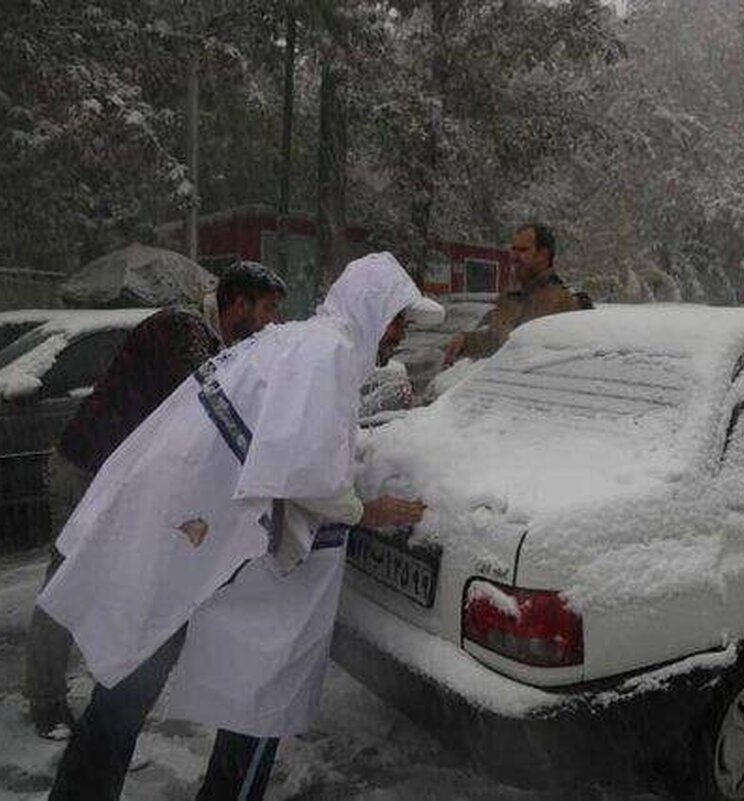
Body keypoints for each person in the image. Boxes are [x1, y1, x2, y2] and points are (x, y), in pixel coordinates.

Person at [36, 252, 441, 800]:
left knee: (135, 669)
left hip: (188, 523)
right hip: (193, 526)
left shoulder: (301, 343)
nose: (400, 334)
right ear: (372, 308)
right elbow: (305, 471)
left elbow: (288, 449)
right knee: (246, 691)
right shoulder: (328, 352)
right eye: (397, 319)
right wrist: (368, 510)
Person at [26, 261, 287, 740]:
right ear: (239, 305)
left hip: (117, 476)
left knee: (117, 576)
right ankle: (45, 701)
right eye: (268, 309)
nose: (273, 322)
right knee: (67, 576)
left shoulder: (211, 341)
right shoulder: (181, 329)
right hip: (86, 465)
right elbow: (209, 403)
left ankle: (110, 677)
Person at [443, 222, 584, 365]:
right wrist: (466, 342)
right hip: (505, 384)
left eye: (523, 250)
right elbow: (497, 343)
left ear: (543, 255)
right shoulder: (509, 299)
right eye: (513, 249)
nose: (514, 256)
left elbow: (580, 361)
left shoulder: (569, 302)